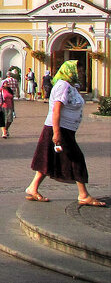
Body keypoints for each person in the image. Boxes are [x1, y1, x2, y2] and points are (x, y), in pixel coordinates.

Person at [25, 60, 105, 206]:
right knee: (76, 158)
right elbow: (56, 110)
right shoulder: (63, 86)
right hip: (59, 129)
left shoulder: (70, 86)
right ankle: (83, 195)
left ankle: (33, 188)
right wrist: (56, 133)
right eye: (78, 70)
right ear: (70, 71)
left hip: (64, 129)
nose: (81, 73)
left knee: (48, 158)